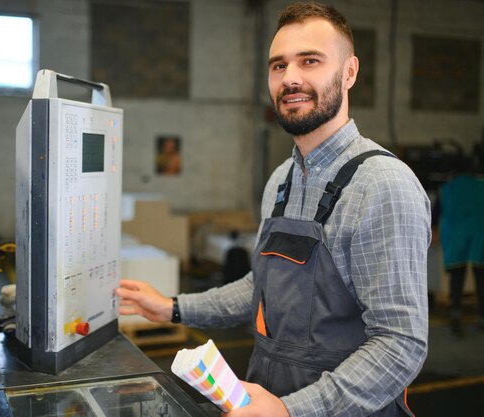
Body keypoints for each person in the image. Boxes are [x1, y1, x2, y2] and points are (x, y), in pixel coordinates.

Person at [116, 2, 430, 416]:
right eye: (278, 66)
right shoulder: (282, 180)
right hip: (264, 395)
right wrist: (172, 308)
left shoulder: (382, 185)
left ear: (349, 72)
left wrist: (292, 410)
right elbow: (259, 287)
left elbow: (401, 343)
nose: (291, 78)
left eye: (310, 61)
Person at [438, 174, 484, 337]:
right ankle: (482, 317)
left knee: (457, 280)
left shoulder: (448, 188)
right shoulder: (481, 186)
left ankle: (455, 315)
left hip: (456, 236)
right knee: (481, 279)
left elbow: (436, 212)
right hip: (480, 234)